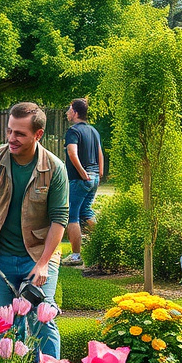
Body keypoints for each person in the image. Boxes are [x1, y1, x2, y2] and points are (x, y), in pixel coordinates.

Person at [0, 101, 69, 358]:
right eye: (10, 130)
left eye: (20, 133)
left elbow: (60, 218)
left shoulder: (55, 168)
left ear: (38, 135)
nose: (11, 138)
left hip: (38, 257)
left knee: (42, 322)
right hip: (1, 258)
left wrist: (44, 262)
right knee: (3, 329)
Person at [62, 97, 104, 267]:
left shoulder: (73, 131)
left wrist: (82, 173)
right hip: (93, 177)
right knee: (86, 212)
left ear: (75, 112)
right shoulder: (94, 131)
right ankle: (104, 245)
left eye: (69, 110)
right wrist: (99, 174)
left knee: (72, 215)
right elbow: (100, 153)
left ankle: (75, 256)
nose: (67, 113)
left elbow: (72, 153)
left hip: (80, 179)